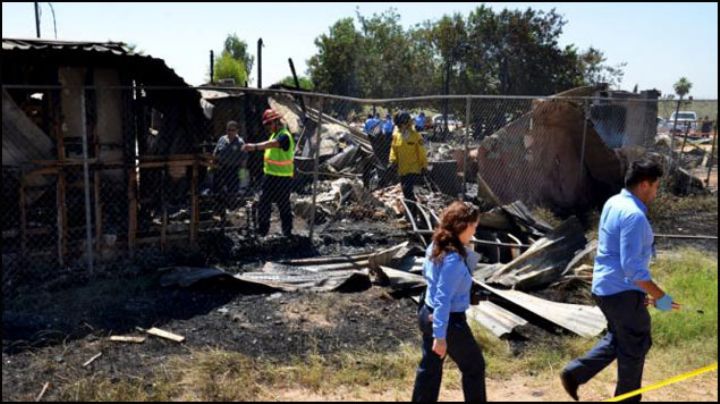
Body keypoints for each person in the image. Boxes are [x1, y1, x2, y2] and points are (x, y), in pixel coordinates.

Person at [560, 156, 680, 402]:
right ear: (645, 184)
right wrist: (661, 297)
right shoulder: (634, 216)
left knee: (621, 338)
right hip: (622, 290)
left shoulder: (614, 202)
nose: (656, 193)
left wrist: (641, 295)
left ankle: (575, 373)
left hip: (606, 288)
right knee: (635, 346)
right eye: (656, 186)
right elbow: (633, 268)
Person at [412, 201, 486, 402]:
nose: (475, 230)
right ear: (463, 226)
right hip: (448, 321)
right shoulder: (452, 258)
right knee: (474, 367)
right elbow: (443, 298)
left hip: (427, 312)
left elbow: (429, 279)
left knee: (430, 369)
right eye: (474, 226)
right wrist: (440, 336)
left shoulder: (435, 245)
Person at [242, 109, 295, 237]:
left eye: (269, 124)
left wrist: (254, 147)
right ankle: (263, 231)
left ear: (276, 122)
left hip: (282, 178)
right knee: (263, 202)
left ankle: (287, 233)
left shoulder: (284, 136)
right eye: (266, 125)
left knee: (283, 205)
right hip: (270, 176)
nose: (267, 127)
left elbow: (273, 144)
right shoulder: (274, 135)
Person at [390, 111, 429, 203]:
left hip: (413, 169)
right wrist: (393, 161)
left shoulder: (416, 136)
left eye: (403, 123)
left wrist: (424, 166)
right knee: (406, 192)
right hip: (402, 170)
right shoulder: (397, 136)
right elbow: (393, 149)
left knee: (407, 190)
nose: (401, 126)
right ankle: (412, 212)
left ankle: (413, 211)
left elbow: (421, 152)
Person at [213, 120, 247, 198]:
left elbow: (244, 159)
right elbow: (215, 152)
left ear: (237, 131)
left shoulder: (240, 142)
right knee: (218, 189)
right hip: (221, 167)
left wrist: (242, 174)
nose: (230, 132)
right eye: (228, 130)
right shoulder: (222, 139)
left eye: (233, 130)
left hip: (234, 169)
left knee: (232, 191)